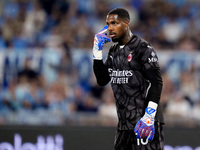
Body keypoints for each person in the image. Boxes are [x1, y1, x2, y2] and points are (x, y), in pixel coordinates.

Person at [92, 8, 164, 150]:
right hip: (124, 125)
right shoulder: (114, 51)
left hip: (145, 123)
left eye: (114, 23)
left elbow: (156, 82)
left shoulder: (143, 48)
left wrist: (148, 116)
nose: (110, 28)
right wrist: (97, 51)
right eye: (108, 24)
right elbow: (102, 80)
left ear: (126, 23)